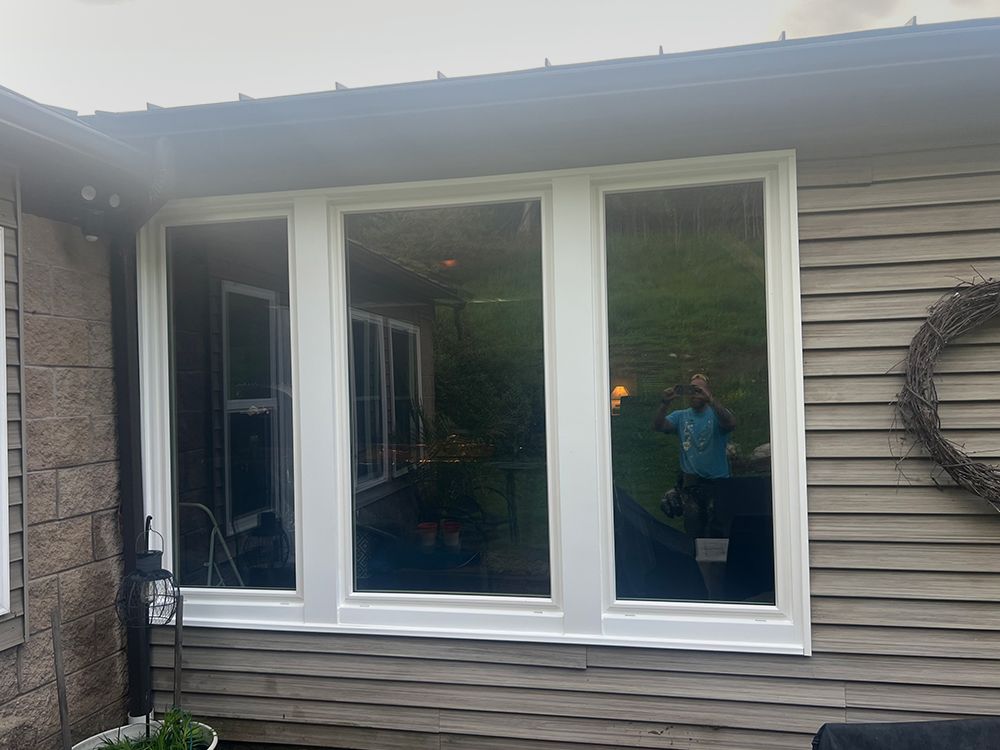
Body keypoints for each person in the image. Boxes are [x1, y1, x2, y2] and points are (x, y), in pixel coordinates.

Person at [652, 374, 736, 537]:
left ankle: (718, 562)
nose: (694, 394)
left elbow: (731, 423)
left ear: (708, 392)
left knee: (718, 532)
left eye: (698, 390)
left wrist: (710, 399)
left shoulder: (717, 414)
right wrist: (665, 403)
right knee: (694, 532)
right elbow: (658, 426)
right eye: (691, 390)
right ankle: (695, 560)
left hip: (718, 483)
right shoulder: (681, 416)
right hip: (691, 485)